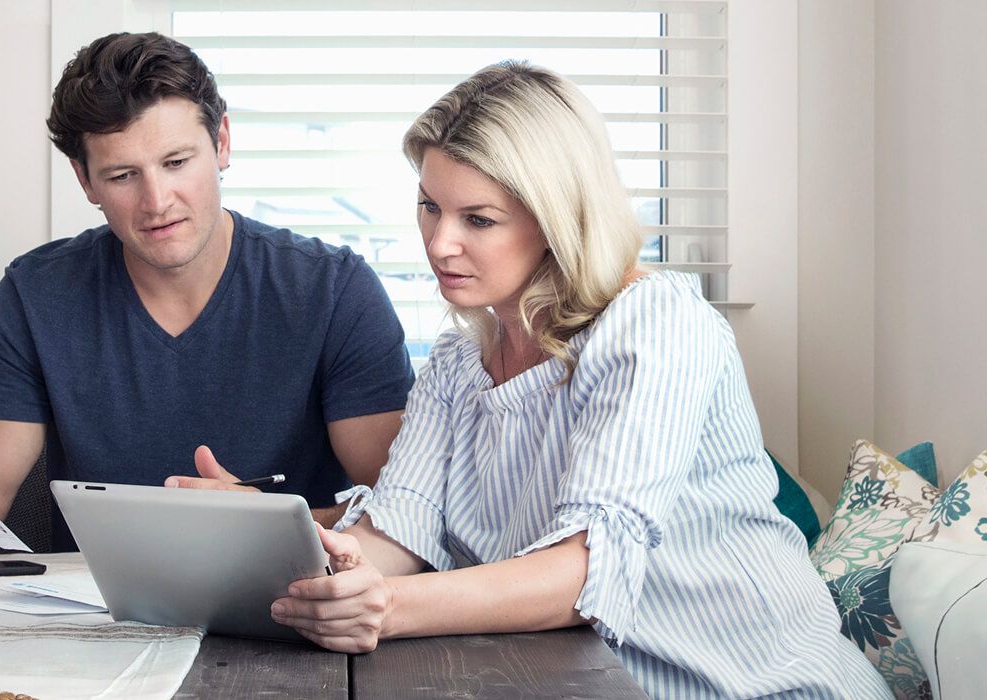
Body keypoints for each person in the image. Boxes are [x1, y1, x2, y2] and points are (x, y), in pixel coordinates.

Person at [270, 62, 892, 698]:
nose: (439, 243)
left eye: (478, 219)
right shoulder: (456, 368)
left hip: (759, 685)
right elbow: (394, 534)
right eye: (430, 207)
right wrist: (280, 552)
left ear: (556, 218)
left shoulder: (656, 323)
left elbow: (583, 573)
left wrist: (388, 607)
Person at [0, 32, 414, 558]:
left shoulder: (334, 291)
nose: (157, 201)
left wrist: (272, 519)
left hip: (293, 609)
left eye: (177, 162)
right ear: (85, 181)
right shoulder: (35, 297)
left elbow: (405, 516)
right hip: (98, 620)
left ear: (222, 143)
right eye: (122, 176)